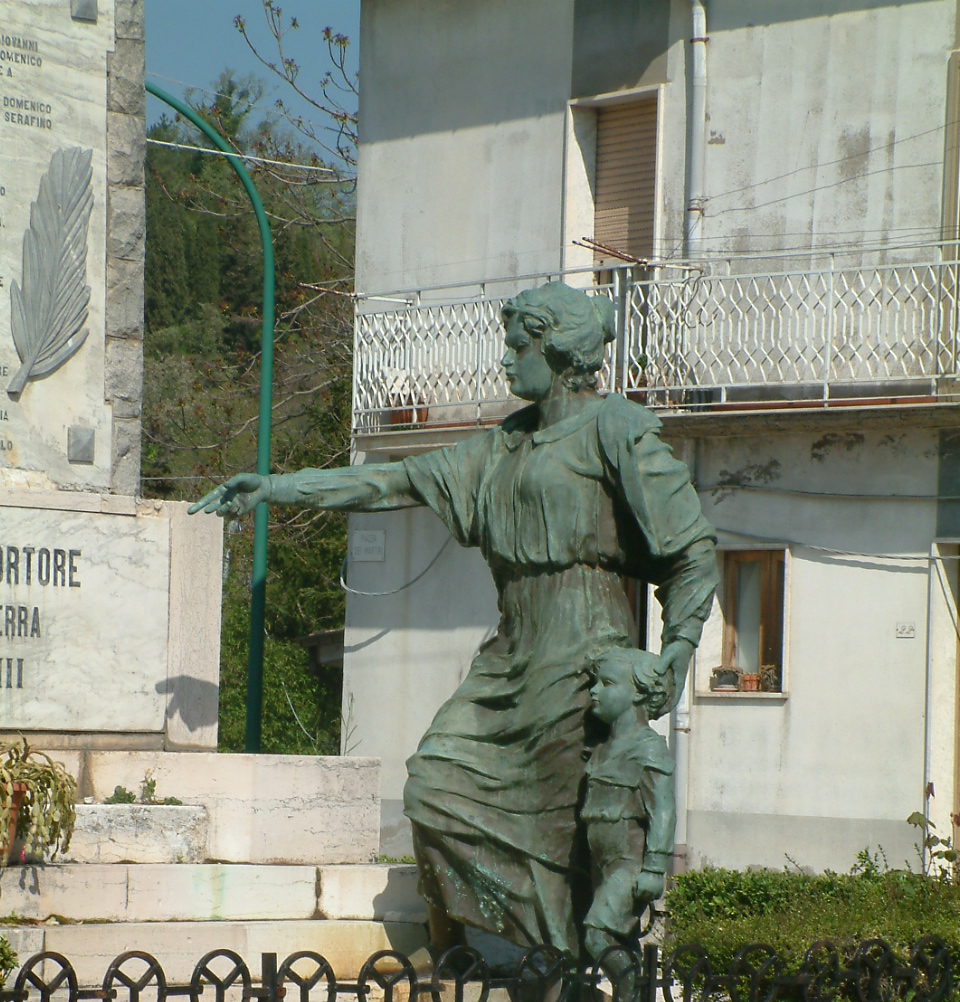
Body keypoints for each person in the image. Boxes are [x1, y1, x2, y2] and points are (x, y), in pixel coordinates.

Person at [191, 281, 718, 964]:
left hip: (586, 646)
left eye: (516, 345)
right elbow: (393, 483)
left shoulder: (615, 428)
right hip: (513, 649)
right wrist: (280, 487)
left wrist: (676, 650)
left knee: (566, 821)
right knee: (434, 783)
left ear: (554, 348)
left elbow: (691, 550)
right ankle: (505, 952)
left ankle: (573, 972)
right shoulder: (500, 448)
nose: (504, 360)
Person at [581, 647, 676, 965]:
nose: (595, 691)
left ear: (638, 694)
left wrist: (653, 868)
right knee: (620, 940)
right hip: (600, 864)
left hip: (628, 866)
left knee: (597, 936)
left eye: (607, 683)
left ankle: (631, 1001)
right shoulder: (600, 750)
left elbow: (662, 810)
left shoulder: (647, 749)